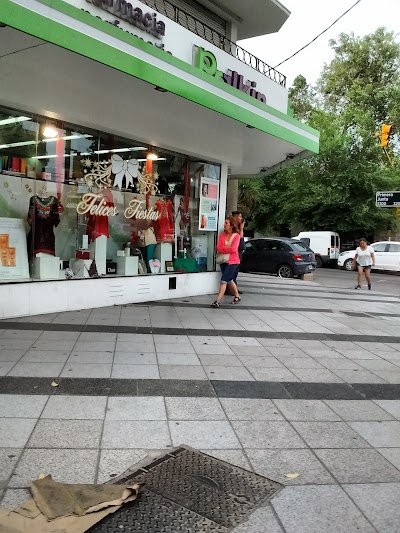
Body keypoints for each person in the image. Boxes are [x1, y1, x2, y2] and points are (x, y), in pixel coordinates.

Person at [211, 216, 241, 308]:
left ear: (231, 225)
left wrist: (223, 248)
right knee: (229, 280)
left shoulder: (236, 236)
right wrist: (225, 248)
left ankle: (217, 301)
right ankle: (237, 296)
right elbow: (218, 248)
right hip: (223, 260)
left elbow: (233, 249)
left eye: (226, 223)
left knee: (223, 280)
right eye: (225, 222)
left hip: (233, 261)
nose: (224, 224)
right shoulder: (222, 235)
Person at [229, 210, 246, 294]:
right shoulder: (233, 227)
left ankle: (234, 287)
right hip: (235, 251)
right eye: (239, 216)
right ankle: (231, 288)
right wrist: (241, 229)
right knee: (233, 270)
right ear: (235, 217)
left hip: (239, 251)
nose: (241, 218)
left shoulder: (238, 227)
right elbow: (239, 238)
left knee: (236, 270)